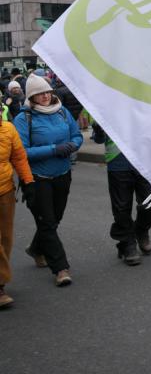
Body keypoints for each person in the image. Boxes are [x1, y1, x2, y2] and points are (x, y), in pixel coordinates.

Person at [13, 74, 82, 287]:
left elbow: (77, 135)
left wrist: (73, 145)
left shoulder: (62, 111)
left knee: (54, 218)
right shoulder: (24, 119)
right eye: (38, 94)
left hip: (62, 175)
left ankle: (36, 249)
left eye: (47, 92)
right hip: (37, 179)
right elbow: (21, 152)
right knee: (47, 222)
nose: (44, 96)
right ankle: (61, 268)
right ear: (31, 97)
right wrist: (54, 149)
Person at [91, 121, 151, 266]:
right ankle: (128, 244)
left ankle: (141, 231)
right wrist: (98, 128)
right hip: (118, 163)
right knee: (121, 208)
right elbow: (98, 139)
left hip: (144, 162)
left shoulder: (142, 105)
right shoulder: (108, 107)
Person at [0, 115, 34, 307]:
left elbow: (19, 157)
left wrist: (27, 181)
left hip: (5, 191)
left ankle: (1, 280)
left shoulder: (8, 129)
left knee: (6, 238)